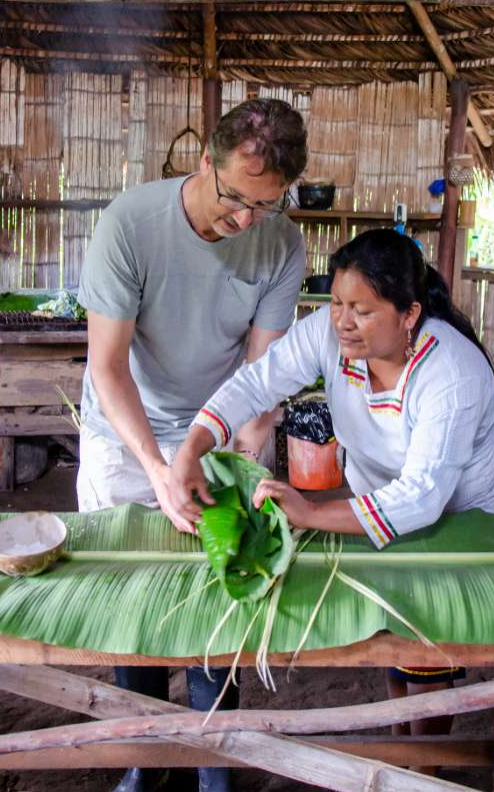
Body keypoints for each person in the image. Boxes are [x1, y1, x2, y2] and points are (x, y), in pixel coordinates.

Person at [169, 228, 494, 730]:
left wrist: (311, 513)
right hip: (375, 505)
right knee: (392, 637)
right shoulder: (328, 336)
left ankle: (422, 766)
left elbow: (422, 498)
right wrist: (192, 448)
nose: (343, 323)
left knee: (427, 645)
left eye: (363, 310)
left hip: (460, 520)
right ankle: (405, 739)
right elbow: (257, 382)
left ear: (410, 314)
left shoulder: (451, 373)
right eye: (336, 303)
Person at [77, 98, 308, 792]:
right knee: (134, 597)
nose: (244, 220)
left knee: (221, 588)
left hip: (216, 425)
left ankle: (213, 763)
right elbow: (107, 365)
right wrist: (156, 467)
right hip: (127, 429)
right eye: (235, 197)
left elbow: (260, 373)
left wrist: (242, 449)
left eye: (264, 206)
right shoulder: (130, 224)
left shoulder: (281, 242)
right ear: (205, 161)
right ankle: (146, 758)